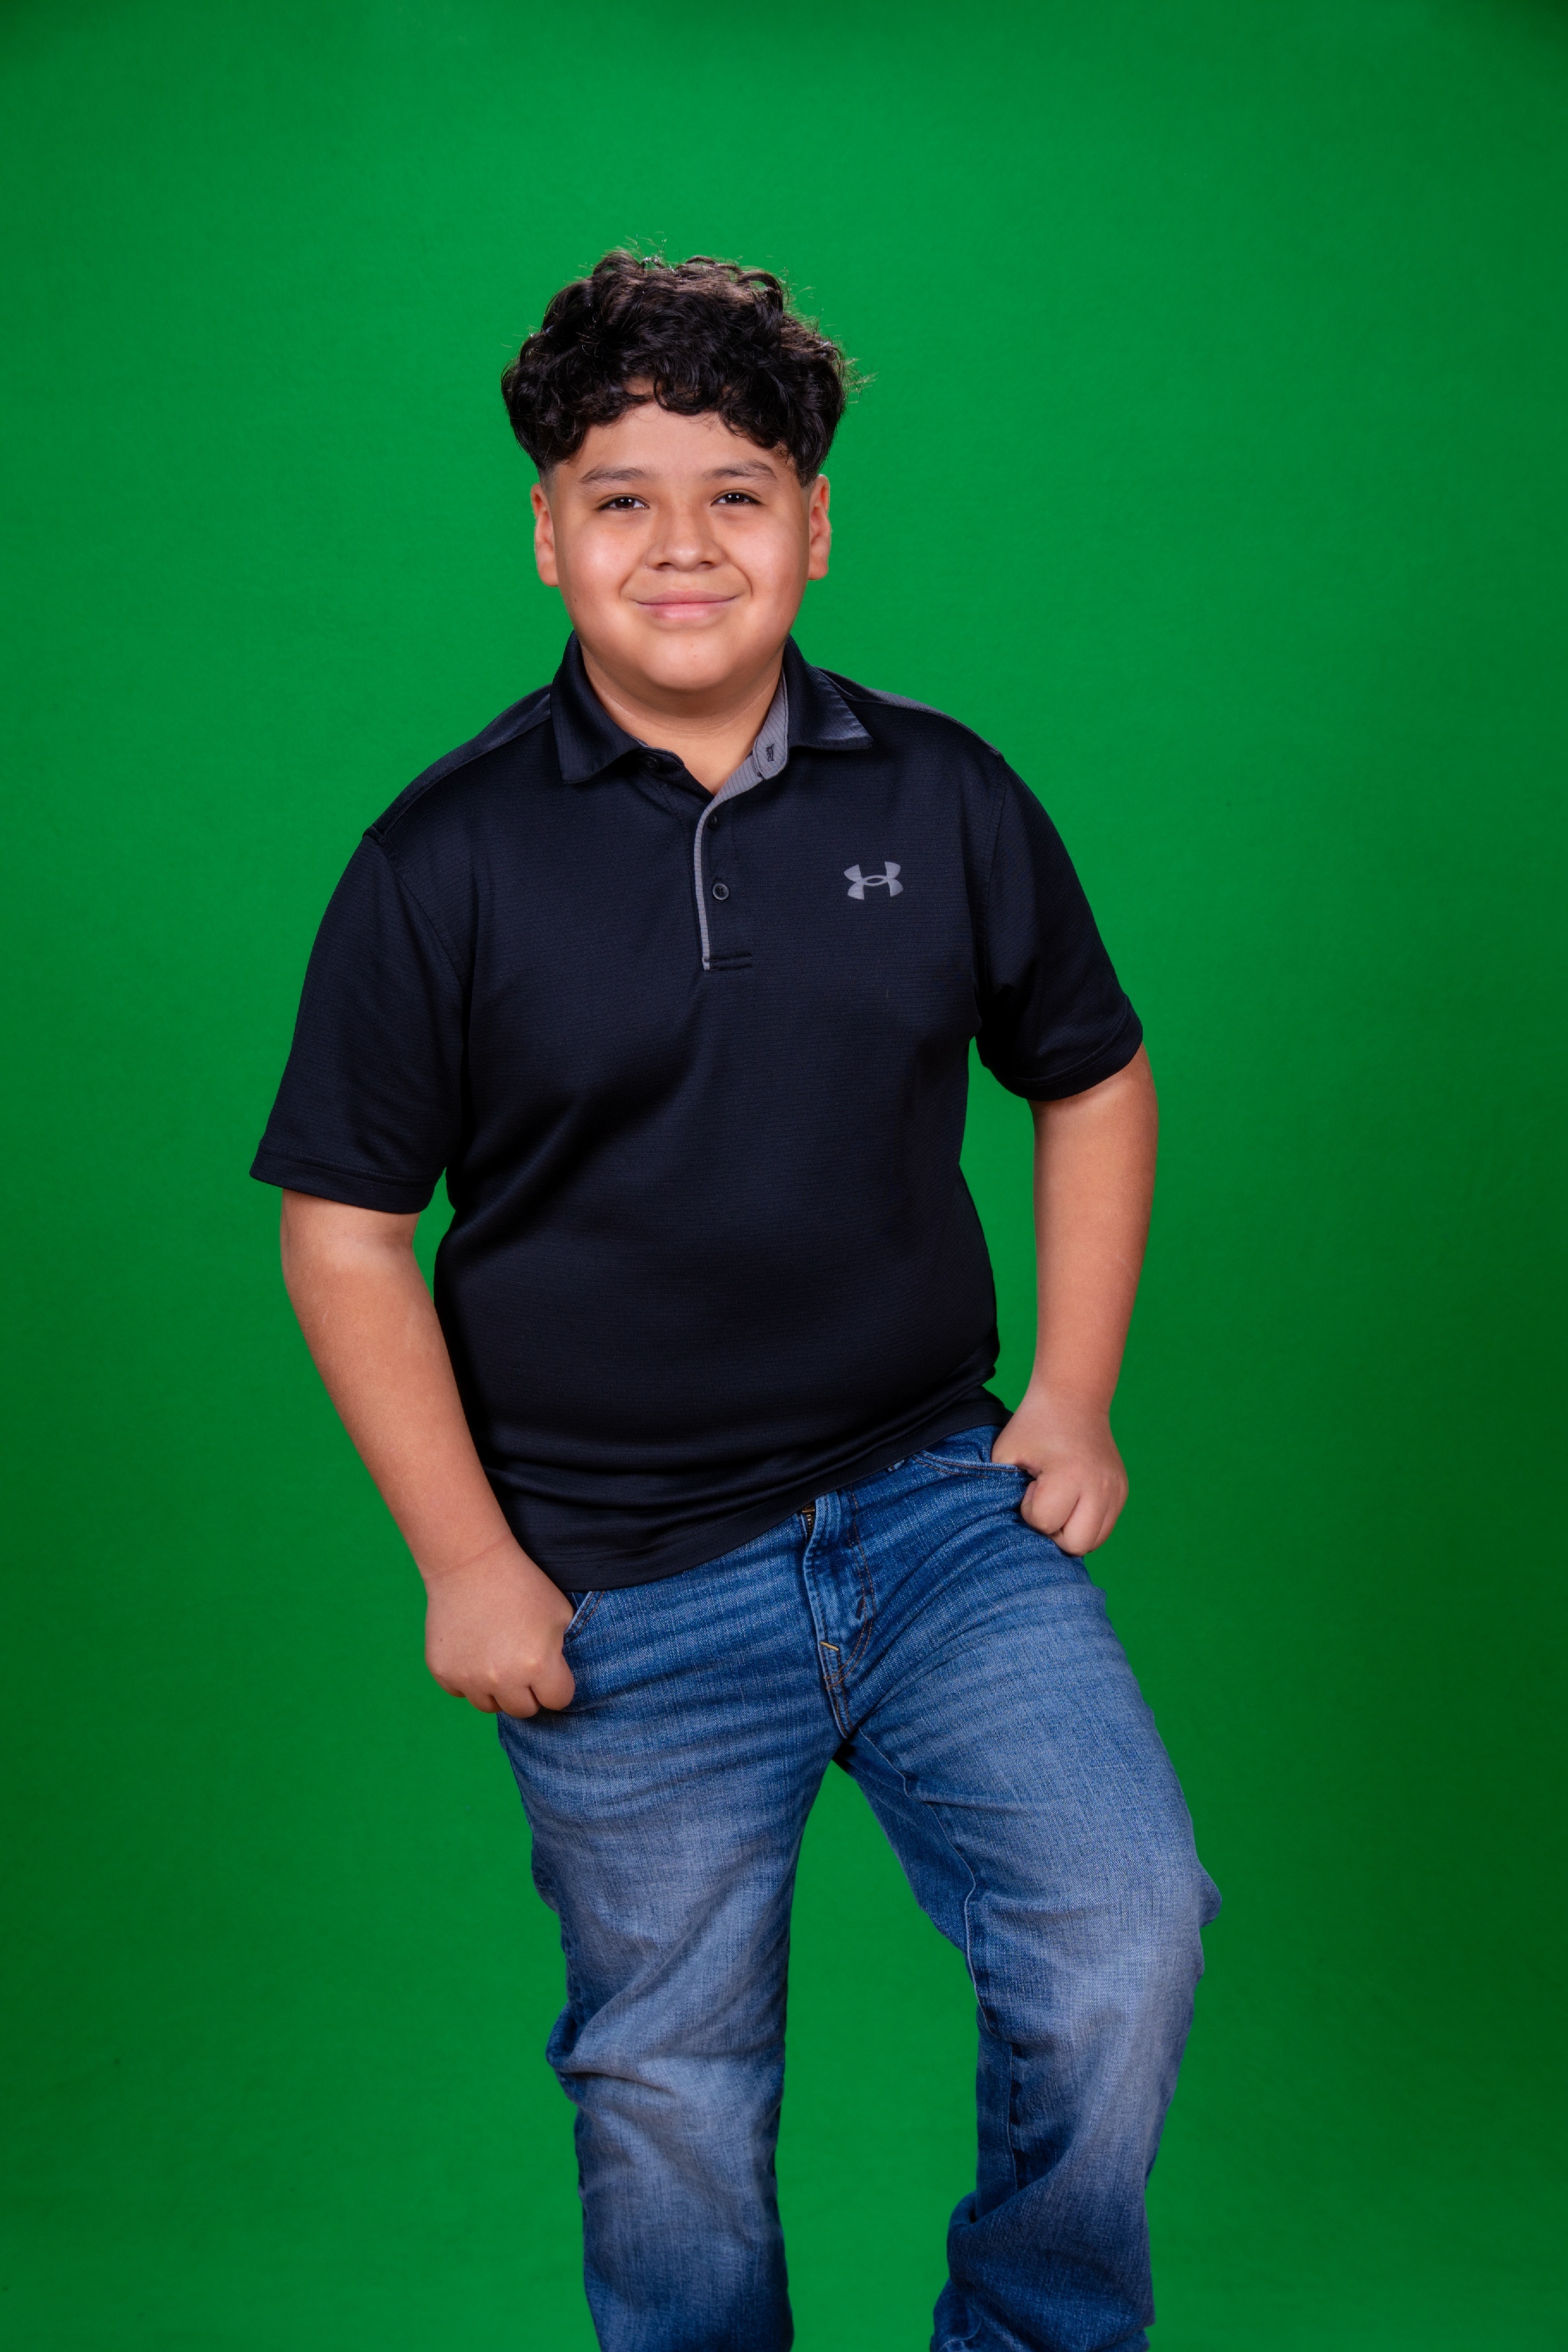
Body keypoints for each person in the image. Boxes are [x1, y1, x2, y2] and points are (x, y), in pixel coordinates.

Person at [252, 249, 1219, 2352]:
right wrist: (466, 1562)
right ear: (547, 532)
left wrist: (1072, 1394)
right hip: (621, 1585)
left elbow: (1093, 1076)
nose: (682, 545)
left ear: (815, 525)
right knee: (671, 2096)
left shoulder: (944, 794)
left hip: (936, 1513)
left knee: (1127, 1929)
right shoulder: (441, 861)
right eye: (622, 497)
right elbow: (345, 1228)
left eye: (737, 494)